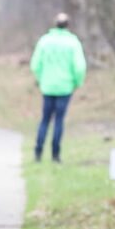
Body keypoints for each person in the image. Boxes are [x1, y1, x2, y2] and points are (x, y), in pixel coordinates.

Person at [30, 13, 86, 163]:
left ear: (55, 24)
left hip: (47, 86)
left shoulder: (45, 41)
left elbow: (35, 64)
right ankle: (55, 154)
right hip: (65, 87)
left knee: (45, 119)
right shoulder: (73, 42)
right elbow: (79, 67)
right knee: (59, 120)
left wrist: (41, 78)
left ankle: (38, 151)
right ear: (68, 25)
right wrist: (77, 82)